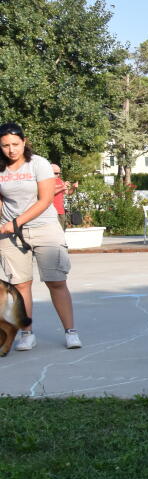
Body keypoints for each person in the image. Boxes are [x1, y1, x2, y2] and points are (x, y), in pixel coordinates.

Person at [0, 122, 82, 350]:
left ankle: (70, 332)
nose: (11, 149)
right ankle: (27, 333)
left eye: (15, 144)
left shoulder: (38, 164)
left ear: (24, 142)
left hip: (44, 227)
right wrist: (5, 223)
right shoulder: (0, 167)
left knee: (56, 281)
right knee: (19, 286)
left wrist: (15, 222)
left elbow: (45, 200)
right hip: (10, 233)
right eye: (5, 145)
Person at [50, 164, 75, 229]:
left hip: (61, 211)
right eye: (56, 173)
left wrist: (73, 187)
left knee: (62, 231)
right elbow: (49, 193)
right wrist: (62, 187)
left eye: (59, 173)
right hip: (51, 211)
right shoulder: (47, 181)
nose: (58, 175)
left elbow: (68, 193)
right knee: (54, 231)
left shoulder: (60, 181)